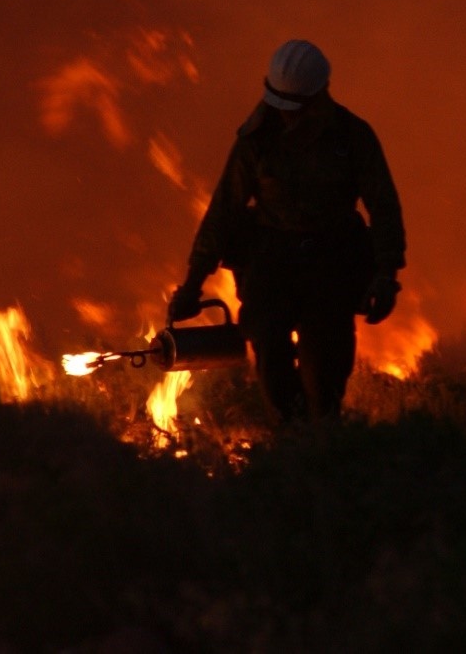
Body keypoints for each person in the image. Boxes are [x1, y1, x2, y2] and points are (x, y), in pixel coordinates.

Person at [168, 39, 406, 421]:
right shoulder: (256, 139)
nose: (285, 117)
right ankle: (292, 443)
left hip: (331, 262)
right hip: (272, 259)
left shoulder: (353, 137)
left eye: (295, 109)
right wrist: (192, 284)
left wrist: (385, 274)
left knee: (324, 374)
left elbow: (384, 206)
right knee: (270, 360)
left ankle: (320, 444)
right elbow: (223, 211)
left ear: (319, 97)